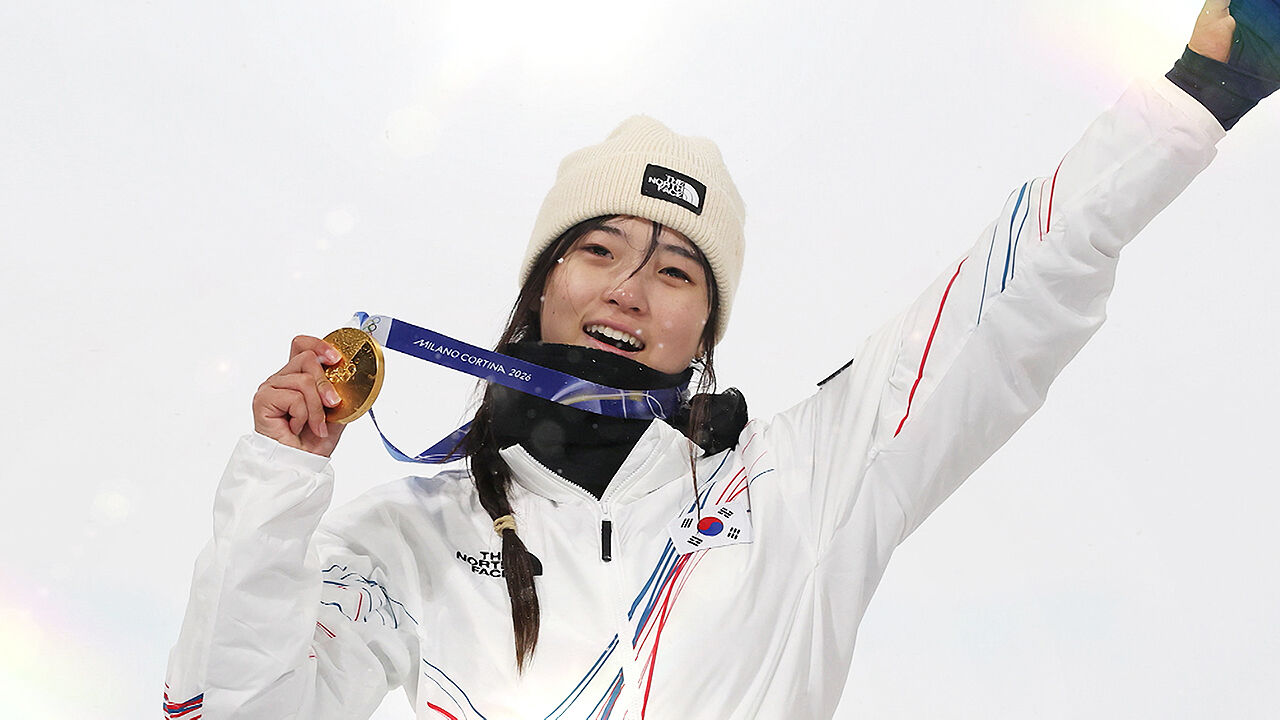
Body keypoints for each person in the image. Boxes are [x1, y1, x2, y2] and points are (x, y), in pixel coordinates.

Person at [165, 2, 1278, 718]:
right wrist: (276, 486)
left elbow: (1006, 291)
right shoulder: (410, 537)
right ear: (540, 285)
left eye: (675, 272)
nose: (627, 288)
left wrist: (1199, 92)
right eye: (597, 250)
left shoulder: (804, 488)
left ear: (703, 332)